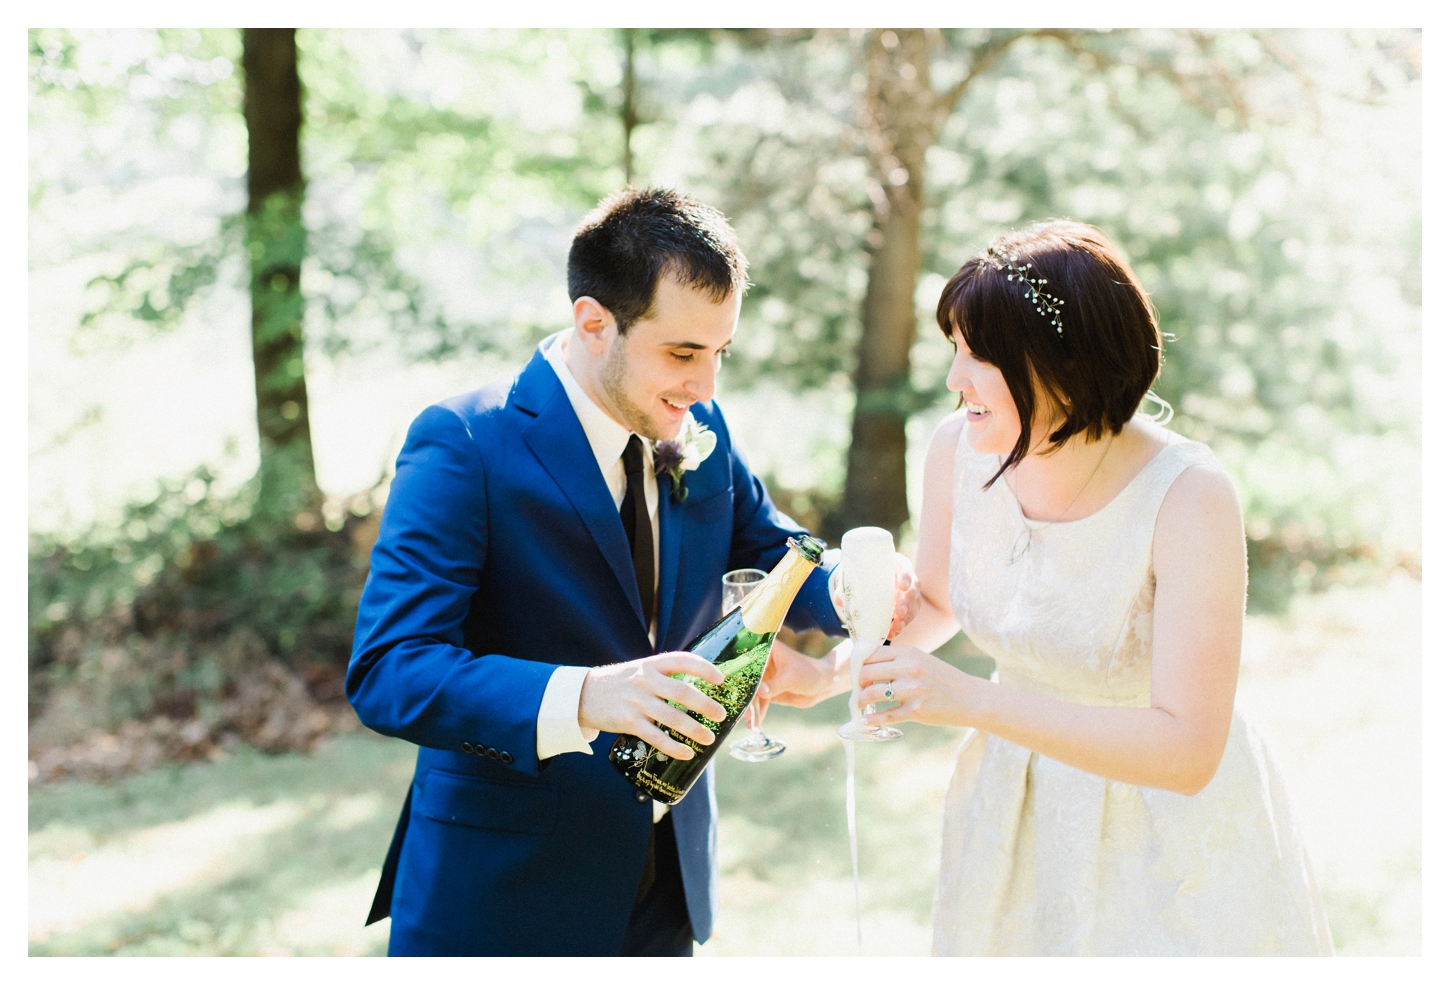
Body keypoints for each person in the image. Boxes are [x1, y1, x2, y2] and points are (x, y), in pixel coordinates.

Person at [347, 187, 915, 957]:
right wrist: (589, 696)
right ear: (593, 323)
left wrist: (849, 582)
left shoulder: (696, 424)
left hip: (665, 888)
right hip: (504, 898)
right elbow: (391, 668)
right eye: (683, 353)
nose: (706, 386)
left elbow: (770, 547)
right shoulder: (464, 442)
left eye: (720, 354)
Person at [769, 220, 1333, 955]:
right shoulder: (957, 448)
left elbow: (1189, 746)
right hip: (1013, 816)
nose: (953, 380)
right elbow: (938, 601)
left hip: (1167, 838)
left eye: (978, 356)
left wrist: (973, 700)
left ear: (1061, 362)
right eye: (954, 350)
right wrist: (822, 675)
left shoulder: (1190, 495)